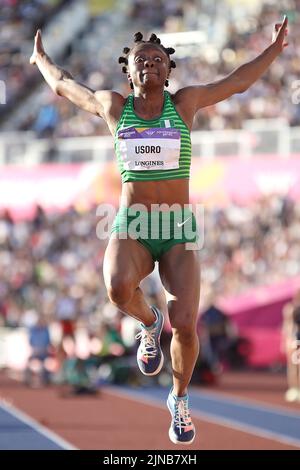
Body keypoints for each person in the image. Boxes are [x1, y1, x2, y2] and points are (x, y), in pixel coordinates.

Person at [30, 18, 288, 444]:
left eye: (157, 59)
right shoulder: (115, 108)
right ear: (127, 73)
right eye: (139, 60)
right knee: (116, 287)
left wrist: (274, 50)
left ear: (168, 71)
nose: (149, 63)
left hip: (178, 228)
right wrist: (41, 59)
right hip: (133, 224)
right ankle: (149, 325)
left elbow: (237, 81)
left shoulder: (184, 104)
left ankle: (179, 398)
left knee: (186, 322)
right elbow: (65, 85)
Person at [281, 289, 300, 402]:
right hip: (294, 339)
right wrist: (286, 340)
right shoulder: (291, 309)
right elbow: (288, 326)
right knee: (293, 365)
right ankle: (294, 388)